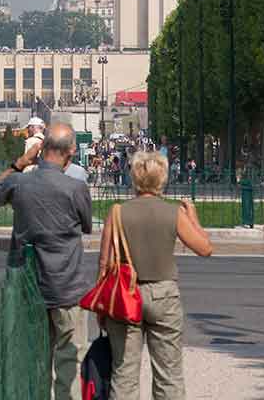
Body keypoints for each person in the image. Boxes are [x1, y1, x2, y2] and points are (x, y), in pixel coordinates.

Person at [99, 151, 212, 400]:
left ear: (134, 177)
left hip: (125, 295)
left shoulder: (117, 212)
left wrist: (102, 310)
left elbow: (104, 264)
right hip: (163, 294)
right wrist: (193, 219)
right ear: (163, 178)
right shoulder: (173, 213)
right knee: (169, 374)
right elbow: (205, 249)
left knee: (124, 373)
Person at [0, 123, 90, 400]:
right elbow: (86, 225)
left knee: (34, 361)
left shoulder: (20, 183)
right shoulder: (76, 187)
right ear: (71, 151)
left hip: (28, 286)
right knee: (69, 362)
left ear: (41, 149)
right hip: (66, 286)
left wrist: (19, 163)